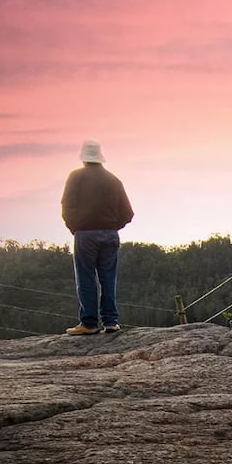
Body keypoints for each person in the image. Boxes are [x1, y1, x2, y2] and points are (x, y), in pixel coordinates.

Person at [61, 140, 134, 335]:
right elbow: (128, 213)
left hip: (85, 234)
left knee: (86, 277)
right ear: (100, 157)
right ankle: (110, 321)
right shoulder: (113, 180)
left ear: (83, 158)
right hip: (110, 234)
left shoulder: (75, 177)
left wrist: (75, 227)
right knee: (108, 277)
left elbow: (66, 206)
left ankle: (89, 323)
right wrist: (113, 226)